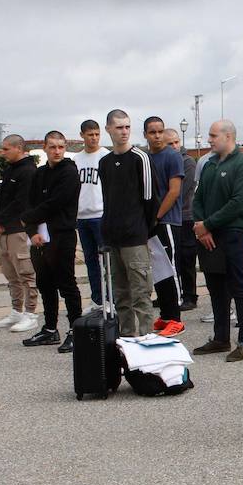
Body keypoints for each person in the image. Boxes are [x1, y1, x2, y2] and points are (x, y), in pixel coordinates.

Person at [191, 119, 243, 363]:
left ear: (228, 136)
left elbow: (239, 202)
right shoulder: (209, 164)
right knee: (216, 287)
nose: (209, 140)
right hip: (209, 235)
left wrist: (208, 224)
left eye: (213, 135)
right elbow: (197, 198)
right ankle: (221, 338)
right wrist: (202, 227)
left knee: (238, 285)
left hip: (234, 233)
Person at [20, 130, 82, 350]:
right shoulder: (39, 173)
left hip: (62, 235)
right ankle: (49, 329)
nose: (57, 151)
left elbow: (55, 203)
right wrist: (31, 231)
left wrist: (27, 218)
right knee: (45, 283)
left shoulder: (70, 173)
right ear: (45, 148)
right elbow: (30, 202)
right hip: (39, 237)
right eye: (53, 147)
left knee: (66, 283)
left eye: (61, 147)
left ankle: (76, 330)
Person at [97, 111, 157, 337]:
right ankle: (127, 339)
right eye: (119, 127)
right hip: (113, 238)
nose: (124, 132)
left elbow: (151, 199)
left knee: (141, 294)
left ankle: (147, 339)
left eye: (127, 127)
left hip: (135, 237)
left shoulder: (140, 158)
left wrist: (142, 230)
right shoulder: (104, 162)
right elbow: (107, 199)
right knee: (120, 295)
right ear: (109, 129)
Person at [0, 134, 39, 334]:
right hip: (5, 230)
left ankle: (31, 313)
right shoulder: (10, 169)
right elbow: (1, 198)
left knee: (25, 272)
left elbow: (21, 202)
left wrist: (1, 220)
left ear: (18, 148)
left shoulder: (28, 171)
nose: (3, 153)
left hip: (19, 230)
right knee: (10, 273)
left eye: (6, 149)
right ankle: (17, 310)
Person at [143, 117, 185, 336]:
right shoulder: (145, 157)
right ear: (145, 135)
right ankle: (166, 315)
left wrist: (157, 216)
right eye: (152, 132)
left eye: (160, 131)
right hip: (150, 222)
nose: (157, 136)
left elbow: (174, 191)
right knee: (158, 269)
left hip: (167, 220)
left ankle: (176, 317)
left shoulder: (172, 156)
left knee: (170, 268)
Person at [70, 120, 109, 313]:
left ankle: (111, 299)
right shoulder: (76, 159)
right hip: (82, 217)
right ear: (82, 135)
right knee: (91, 262)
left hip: (101, 215)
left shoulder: (106, 156)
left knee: (107, 261)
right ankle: (97, 299)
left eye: (96, 134)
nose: (94, 138)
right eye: (90, 134)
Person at [164, 129, 198, 312]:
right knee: (170, 259)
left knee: (186, 258)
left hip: (185, 216)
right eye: (170, 143)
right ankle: (171, 294)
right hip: (170, 218)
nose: (174, 146)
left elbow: (181, 192)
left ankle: (190, 296)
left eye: (176, 142)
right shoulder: (164, 160)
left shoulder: (187, 162)